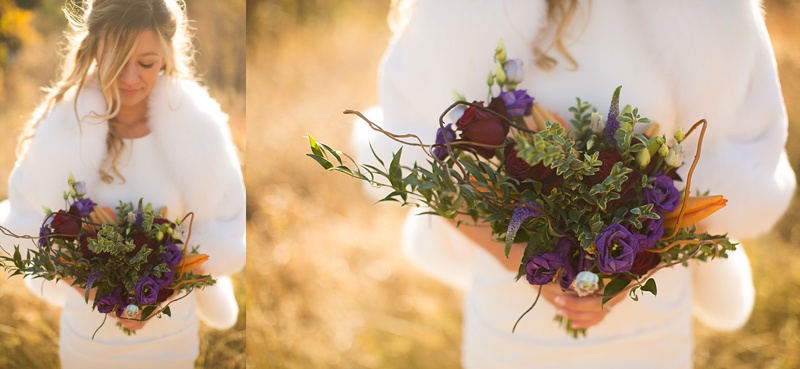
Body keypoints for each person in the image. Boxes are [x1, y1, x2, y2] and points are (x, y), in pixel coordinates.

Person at [352, 0, 796, 368]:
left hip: (647, 323)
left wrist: (626, 275)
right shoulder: (459, 10)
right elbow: (426, 166)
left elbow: (732, 170)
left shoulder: (711, 11)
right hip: (514, 324)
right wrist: (525, 261)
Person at [0, 0, 246, 367]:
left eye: (146, 63)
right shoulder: (62, 131)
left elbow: (227, 234)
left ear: (166, 53)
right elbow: (22, 227)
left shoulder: (201, 133)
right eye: (117, 61)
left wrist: (160, 290)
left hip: (172, 342)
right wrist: (98, 291)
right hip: (90, 344)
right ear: (95, 48)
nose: (130, 78)